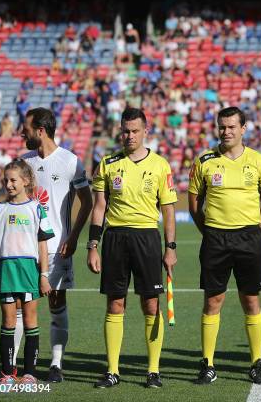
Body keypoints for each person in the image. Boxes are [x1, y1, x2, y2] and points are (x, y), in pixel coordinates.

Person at [88, 108, 177, 388]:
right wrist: (93, 244)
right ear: (120, 131)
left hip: (147, 238)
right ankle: (112, 370)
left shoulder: (161, 165)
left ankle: (153, 371)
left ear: (145, 131)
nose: (130, 136)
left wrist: (170, 246)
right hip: (115, 238)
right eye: (126, 131)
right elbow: (100, 206)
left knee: (151, 304)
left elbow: (169, 209)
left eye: (135, 131)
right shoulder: (108, 163)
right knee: (115, 303)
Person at [188, 106, 261, 385]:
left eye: (231, 127)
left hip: (249, 239)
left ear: (243, 128)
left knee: (251, 300)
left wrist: (252, 229)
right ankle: (208, 364)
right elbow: (194, 205)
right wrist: (211, 231)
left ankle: (256, 362)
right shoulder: (204, 161)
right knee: (213, 300)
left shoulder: (260, 162)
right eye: (222, 127)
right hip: (215, 239)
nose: (226, 131)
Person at [17, 107, 92, 382]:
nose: (21, 132)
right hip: (24, 248)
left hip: (57, 247)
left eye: (25, 127)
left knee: (57, 302)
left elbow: (88, 202)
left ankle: (56, 366)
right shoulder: (23, 163)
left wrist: (73, 238)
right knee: (18, 304)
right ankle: (13, 367)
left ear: (40, 130)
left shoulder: (71, 162)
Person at [0, 160, 54, 384]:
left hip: (28, 271)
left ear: (26, 181)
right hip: (6, 270)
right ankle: (7, 373)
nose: (8, 184)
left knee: (30, 320)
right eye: (6, 180)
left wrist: (44, 276)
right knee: (7, 322)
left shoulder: (35, 208)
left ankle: (30, 373)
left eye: (13, 180)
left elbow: (43, 245)